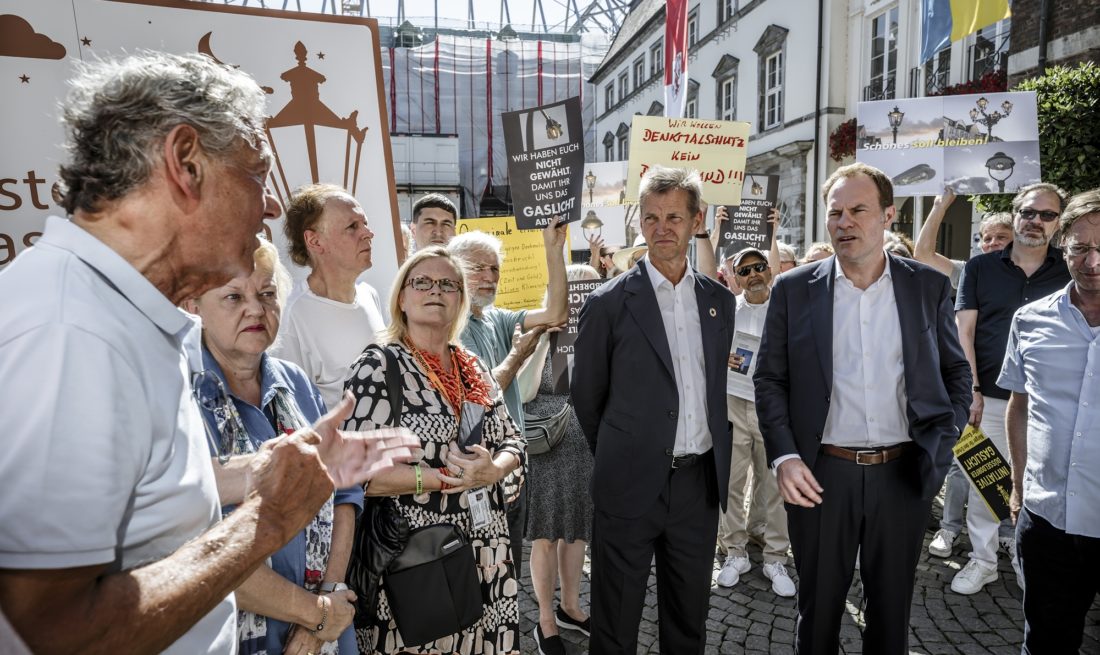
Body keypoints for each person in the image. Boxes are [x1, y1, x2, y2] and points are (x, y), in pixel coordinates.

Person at [0, 52, 416, 654]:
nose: (270, 206)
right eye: (256, 174)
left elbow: (145, 507)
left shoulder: (120, 316)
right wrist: (267, 521)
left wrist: (268, 469)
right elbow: (54, 631)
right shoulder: (71, 332)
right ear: (185, 162)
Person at [754, 162, 971, 654]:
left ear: (889, 215)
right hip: (820, 475)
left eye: (858, 210)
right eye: (835, 213)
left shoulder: (926, 285)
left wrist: (945, 436)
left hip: (903, 474)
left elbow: (956, 372)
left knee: (891, 616)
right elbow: (770, 379)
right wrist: (785, 456)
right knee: (818, 614)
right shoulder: (793, 289)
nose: (844, 222)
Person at [572, 166, 736, 653]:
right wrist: (627, 448)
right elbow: (587, 396)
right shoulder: (608, 302)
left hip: (698, 485)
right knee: (615, 624)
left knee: (688, 621)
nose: (661, 228)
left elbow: (714, 388)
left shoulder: (718, 301)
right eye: (651, 218)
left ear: (696, 220)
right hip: (628, 480)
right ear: (639, 221)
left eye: (674, 217)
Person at [341, 246, 526, 654]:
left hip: (486, 551)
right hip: (417, 558)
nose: (435, 291)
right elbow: (354, 472)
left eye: (448, 284)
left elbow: (514, 440)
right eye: (422, 282)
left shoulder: (472, 365)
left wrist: (494, 470)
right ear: (402, 299)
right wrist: (440, 478)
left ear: (461, 299)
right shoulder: (378, 366)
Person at [184, 240, 362, 655]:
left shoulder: (294, 381)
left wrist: (328, 601)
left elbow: (344, 493)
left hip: (327, 629)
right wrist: (314, 613)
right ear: (194, 307)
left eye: (267, 294)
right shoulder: (182, 396)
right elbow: (198, 548)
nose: (256, 309)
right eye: (234, 297)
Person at [950, 182, 1070, 595]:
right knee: (986, 481)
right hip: (988, 399)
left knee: (1041, 484)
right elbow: (964, 333)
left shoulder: (1069, 269)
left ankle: (1025, 559)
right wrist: (972, 390)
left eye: (1047, 215)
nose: (1036, 221)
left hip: (1051, 402)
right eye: (1028, 212)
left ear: (1058, 223)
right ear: (1015, 214)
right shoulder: (979, 268)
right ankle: (983, 560)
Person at [999, 189, 1100, 653]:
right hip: (1047, 519)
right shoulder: (1029, 320)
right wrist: (1018, 486)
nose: (1092, 262)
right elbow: (1020, 406)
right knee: (1045, 643)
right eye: (1081, 248)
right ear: (1063, 246)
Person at [447, 220, 569, 578]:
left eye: (495, 269)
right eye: (478, 268)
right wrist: (517, 356)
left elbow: (556, 313)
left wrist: (553, 249)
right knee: (484, 574)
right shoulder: (451, 327)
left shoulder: (496, 317)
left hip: (510, 466)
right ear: (454, 271)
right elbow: (479, 396)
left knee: (508, 571)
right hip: (478, 472)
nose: (489, 277)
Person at [524, 265, 598, 655]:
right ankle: (546, 620)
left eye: (587, 292)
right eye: (573, 291)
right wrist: (542, 338)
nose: (578, 300)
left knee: (577, 532)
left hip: (585, 449)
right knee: (547, 536)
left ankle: (571, 607)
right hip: (547, 451)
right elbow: (524, 391)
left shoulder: (598, 334)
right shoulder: (537, 332)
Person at [715, 247, 795, 598]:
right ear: (735, 277)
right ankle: (735, 551)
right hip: (733, 401)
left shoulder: (786, 308)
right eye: (744, 271)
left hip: (773, 406)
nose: (753, 275)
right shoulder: (727, 311)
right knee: (732, 482)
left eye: (759, 267)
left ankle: (775, 556)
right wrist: (723, 358)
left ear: (770, 269)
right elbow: (709, 353)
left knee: (775, 485)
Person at [274, 184, 386, 410]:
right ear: (314, 241)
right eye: (352, 226)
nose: (368, 233)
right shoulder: (292, 315)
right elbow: (293, 412)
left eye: (365, 223)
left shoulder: (369, 295)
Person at [913, 188, 1014, 290]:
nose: (993, 243)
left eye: (1001, 237)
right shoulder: (970, 272)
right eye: (987, 239)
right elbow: (923, 255)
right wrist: (939, 206)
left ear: (1017, 241)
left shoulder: (1024, 273)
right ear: (982, 246)